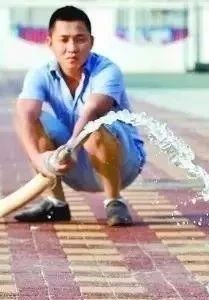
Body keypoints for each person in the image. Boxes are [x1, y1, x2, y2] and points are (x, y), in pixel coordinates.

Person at [14, 5, 146, 226]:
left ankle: (114, 201)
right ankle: (56, 203)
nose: (72, 48)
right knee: (28, 118)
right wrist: (40, 161)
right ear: (50, 43)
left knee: (95, 127)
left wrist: (70, 148)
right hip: (71, 164)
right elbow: (26, 115)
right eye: (64, 40)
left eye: (80, 39)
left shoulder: (107, 70)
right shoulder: (40, 74)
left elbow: (92, 112)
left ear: (91, 42)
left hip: (122, 163)